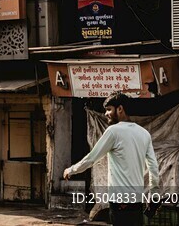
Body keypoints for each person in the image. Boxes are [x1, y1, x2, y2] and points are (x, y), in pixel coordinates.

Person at [63, 92, 159, 226]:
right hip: (137, 199)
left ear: (120, 109)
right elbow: (153, 166)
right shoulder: (144, 133)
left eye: (109, 109)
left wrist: (71, 170)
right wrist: (154, 193)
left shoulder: (113, 131)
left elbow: (91, 158)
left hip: (119, 200)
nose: (106, 113)